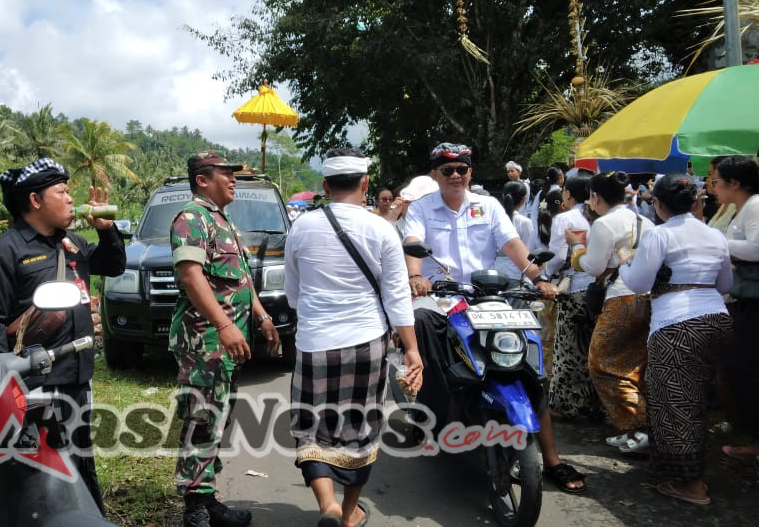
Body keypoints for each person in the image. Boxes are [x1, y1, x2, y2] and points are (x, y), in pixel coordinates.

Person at [403, 143, 586, 494]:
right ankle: (435, 410)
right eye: (448, 170)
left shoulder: (488, 207)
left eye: (462, 169)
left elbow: (513, 245)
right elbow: (413, 243)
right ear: (435, 175)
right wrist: (416, 277)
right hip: (440, 299)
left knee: (531, 365)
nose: (456, 175)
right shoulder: (422, 209)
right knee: (422, 323)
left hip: (487, 298)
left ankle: (552, 460)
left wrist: (540, 279)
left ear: (470, 173)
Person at [0, 157, 126, 515]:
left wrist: (106, 230)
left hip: (75, 377)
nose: (71, 199)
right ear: (35, 200)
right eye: (62, 191)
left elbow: (113, 265)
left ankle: (90, 518)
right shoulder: (3, 253)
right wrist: (7, 393)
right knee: (39, 472)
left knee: (79, 459)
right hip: (34, 388)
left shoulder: (71, 243)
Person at [285, 148, 423, 527]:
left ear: (325, 186)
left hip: (314, 342)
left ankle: (326, 506)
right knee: (359, 431)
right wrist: (412, 351)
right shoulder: (382, 229)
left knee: (312, 427)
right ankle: (347, 514)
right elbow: (397, 297)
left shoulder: (301, 227)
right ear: (365, 184)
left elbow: (293, 295)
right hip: (366, 342)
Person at [169, 150, 280, 527]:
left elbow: (242, 280)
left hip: (225, 346)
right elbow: (190, 275)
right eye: (226, 174)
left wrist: (262, 316)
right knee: (201, 419)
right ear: (203, 179)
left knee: (217, 419)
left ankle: (206, 495)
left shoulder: (222, 220)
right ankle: (195, 509)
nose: (233, 180)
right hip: (204, 343)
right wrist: (224, 325)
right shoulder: (192, 218)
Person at [618, 174, 733, 505]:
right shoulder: (714, 234)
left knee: (676, 408)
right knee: (697, 405)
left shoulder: (659, 234)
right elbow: (725, 284)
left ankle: (690, 485)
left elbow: (638, 281)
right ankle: (688, 474)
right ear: (696, 201)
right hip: (718, 321)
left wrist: (626, 263)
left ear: (657, 204)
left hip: (677, 326)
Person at [566, 171, 655, 455]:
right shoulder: (644, 220)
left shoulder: (605, 223)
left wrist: (577, 247)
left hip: (620, 298)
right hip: (648, 297)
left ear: (595, 197)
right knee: (634, 364)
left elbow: (592, 266)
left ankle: (641, 426)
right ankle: (633, 429)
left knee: (601, 363)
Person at [710, 156, 759, 462]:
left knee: (745, 368)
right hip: (743, 298)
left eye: (716, 181)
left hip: (754, 301)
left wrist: (718, 242)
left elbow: (757, 247)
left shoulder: (754, 205)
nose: (713, 186)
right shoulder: (740, 207)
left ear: (734, 184)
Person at [545, 175, 604, 421]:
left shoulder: (565, 219)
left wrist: (546, 274)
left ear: (567, 194)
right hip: (600, 290)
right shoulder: (600, 217)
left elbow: (557, 256)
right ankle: (595, 403)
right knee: (593, 349)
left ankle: (568, 405)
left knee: (568, 348)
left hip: (574, 288)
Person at [493, 180, 535, 279]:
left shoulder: (494, 219)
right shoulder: (524, 222)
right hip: (517, 272)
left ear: (503, 196)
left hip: (495, 270)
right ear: (524, 199)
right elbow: (529, 250)